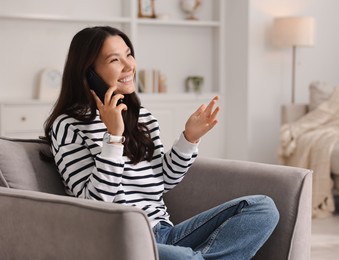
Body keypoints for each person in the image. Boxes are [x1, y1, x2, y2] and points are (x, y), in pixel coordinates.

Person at [43, 26, 279, 260]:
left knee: (263, 208)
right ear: (89, 72)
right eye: (115, 60)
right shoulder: (68, 126)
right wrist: (114, 138)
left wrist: (189, 139)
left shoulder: (143, 117)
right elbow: (93, 205)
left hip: (164, 233)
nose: (129, 66)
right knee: (182, 258)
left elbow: (163, 181)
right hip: (117, 239)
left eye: (129, 54)